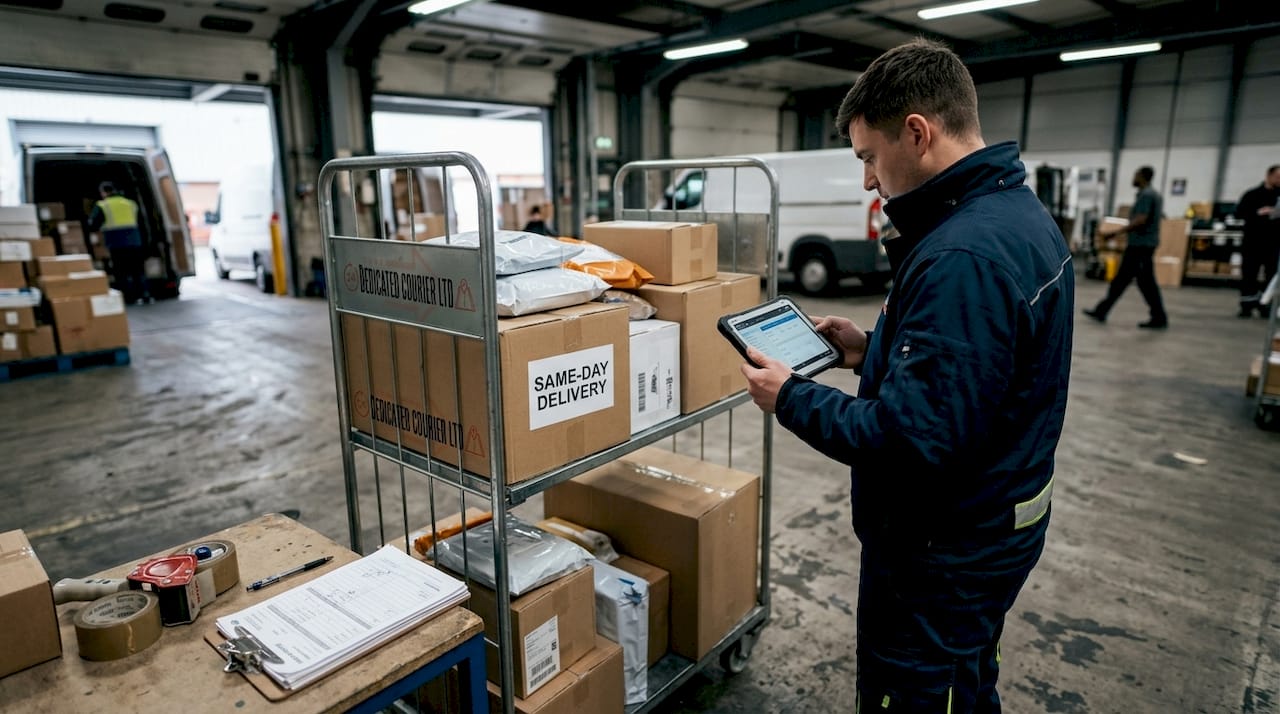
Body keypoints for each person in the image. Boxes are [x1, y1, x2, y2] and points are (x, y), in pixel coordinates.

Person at [739, 39, 1072, 712]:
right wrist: (872, 348)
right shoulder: (1013, 215)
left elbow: (911, 441)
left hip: (941, 555)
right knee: (968, 678)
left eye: (868, 156)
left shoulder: (963, 255)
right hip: (991, 529)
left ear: (916, 133)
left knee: (918, 693)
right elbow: (978, 372)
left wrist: (792, 396)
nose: (867, 179)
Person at [1082, 167, 1168, 328]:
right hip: (1143, 245)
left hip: (1140, 246)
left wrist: (1114, 233)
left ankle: (1158, 316)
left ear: (1143, 177)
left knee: (1132, 282)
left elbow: (1141, 220)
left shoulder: (1147, 195)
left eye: (1136, 175)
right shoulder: (1151, 194)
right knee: (1136, 282)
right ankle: (1104, 310)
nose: (1133, 178)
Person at [87, 181, 151, 303]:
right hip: (134, 241)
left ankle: (128, 297)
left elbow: (93, 224)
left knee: (121, 271)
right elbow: (140, 221)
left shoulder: (103, 205)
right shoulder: (130, 203)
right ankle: (144, 294)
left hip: (117, 242)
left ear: (104, 192)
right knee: (138, 270)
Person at [1234, 165, 1280, 317]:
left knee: (1271, 275)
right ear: (1269, 176)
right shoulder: (1252, 194)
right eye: (1278, 177)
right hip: (1252, 243)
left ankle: (1265, 305)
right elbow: (1239, 213)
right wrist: (1258, 212)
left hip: (1273, 244)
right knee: (1249, 274)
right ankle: (1247, 305)